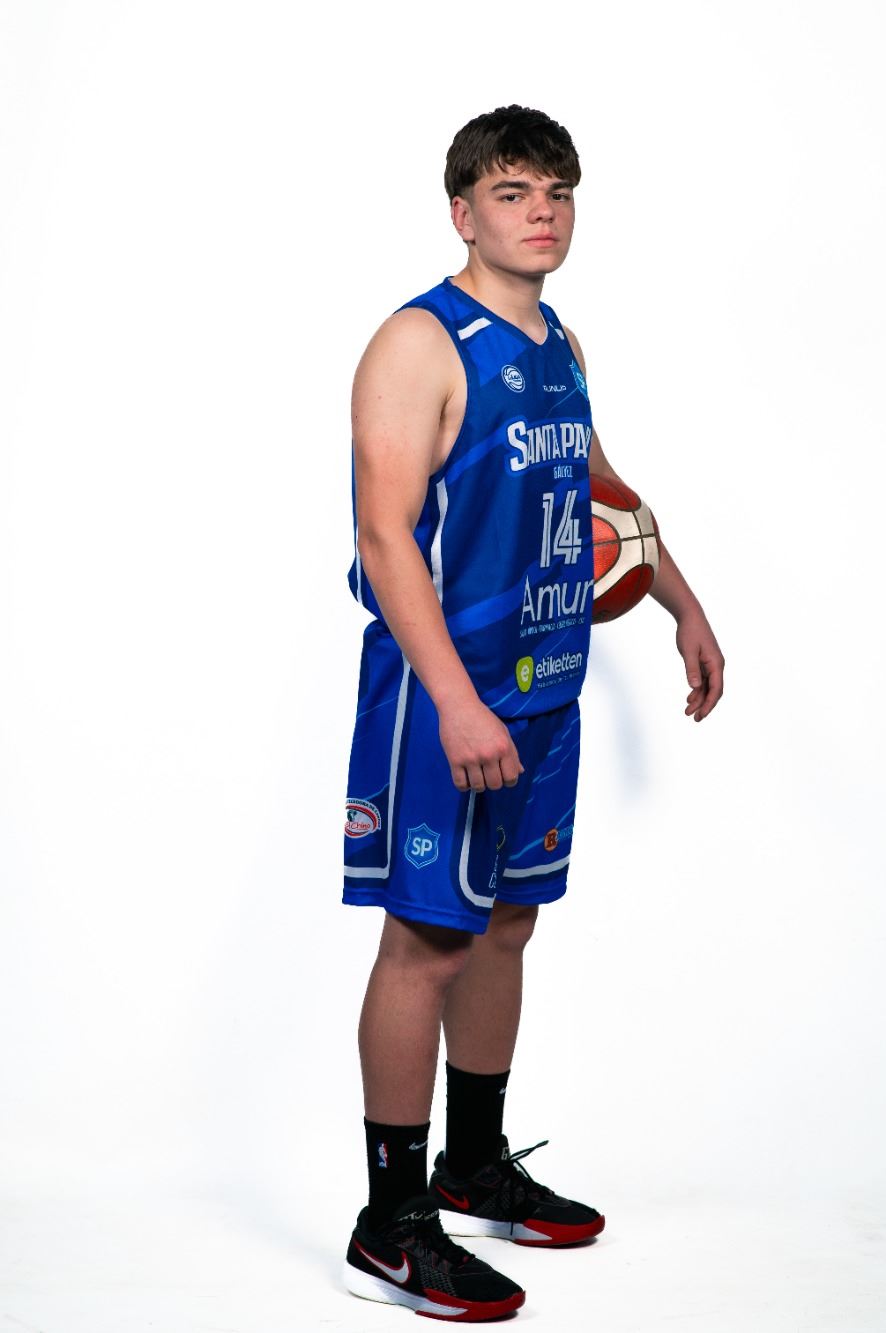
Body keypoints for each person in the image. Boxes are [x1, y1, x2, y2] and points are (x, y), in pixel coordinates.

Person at [340, 104, 725, 1321]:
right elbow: (382, 536)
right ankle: (391, 1222)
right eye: (512, 192)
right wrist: (457, 702)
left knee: (506, 926)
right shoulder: (418, 343)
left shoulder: (559, 341)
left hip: (545, 685)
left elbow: (597, 487)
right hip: (444, 696)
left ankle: (471, 1164)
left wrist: (681, 601)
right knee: (427, 941)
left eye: (556, 191)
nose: (541, 211)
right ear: (463, 213)